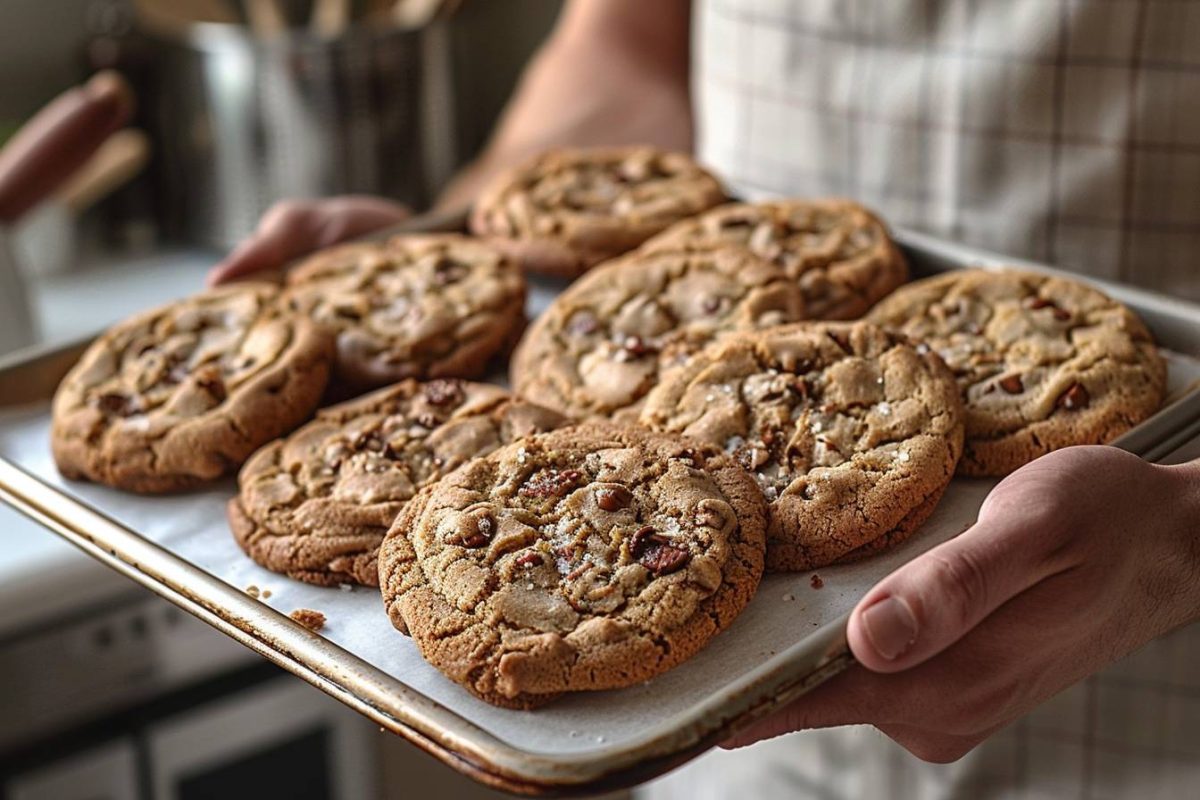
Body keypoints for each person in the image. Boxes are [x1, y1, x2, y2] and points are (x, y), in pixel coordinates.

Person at [210, 2, 1200, 797]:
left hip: (1141, 703)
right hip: (724, 732)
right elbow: (627, 47)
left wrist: (1185, 537)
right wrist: (448, 256)